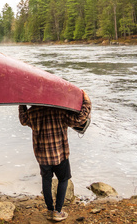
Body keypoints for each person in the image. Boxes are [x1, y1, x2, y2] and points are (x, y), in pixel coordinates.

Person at [19, 90, 91, 222]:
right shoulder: (60, 110)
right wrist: (86, 101)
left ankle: (50, 210)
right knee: (63, 180)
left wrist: (22, 103)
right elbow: (80, 118)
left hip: (42, 155)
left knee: (46, 180)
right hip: (60, 154)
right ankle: (58, 211)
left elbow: (23, 120)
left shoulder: (33, 111)